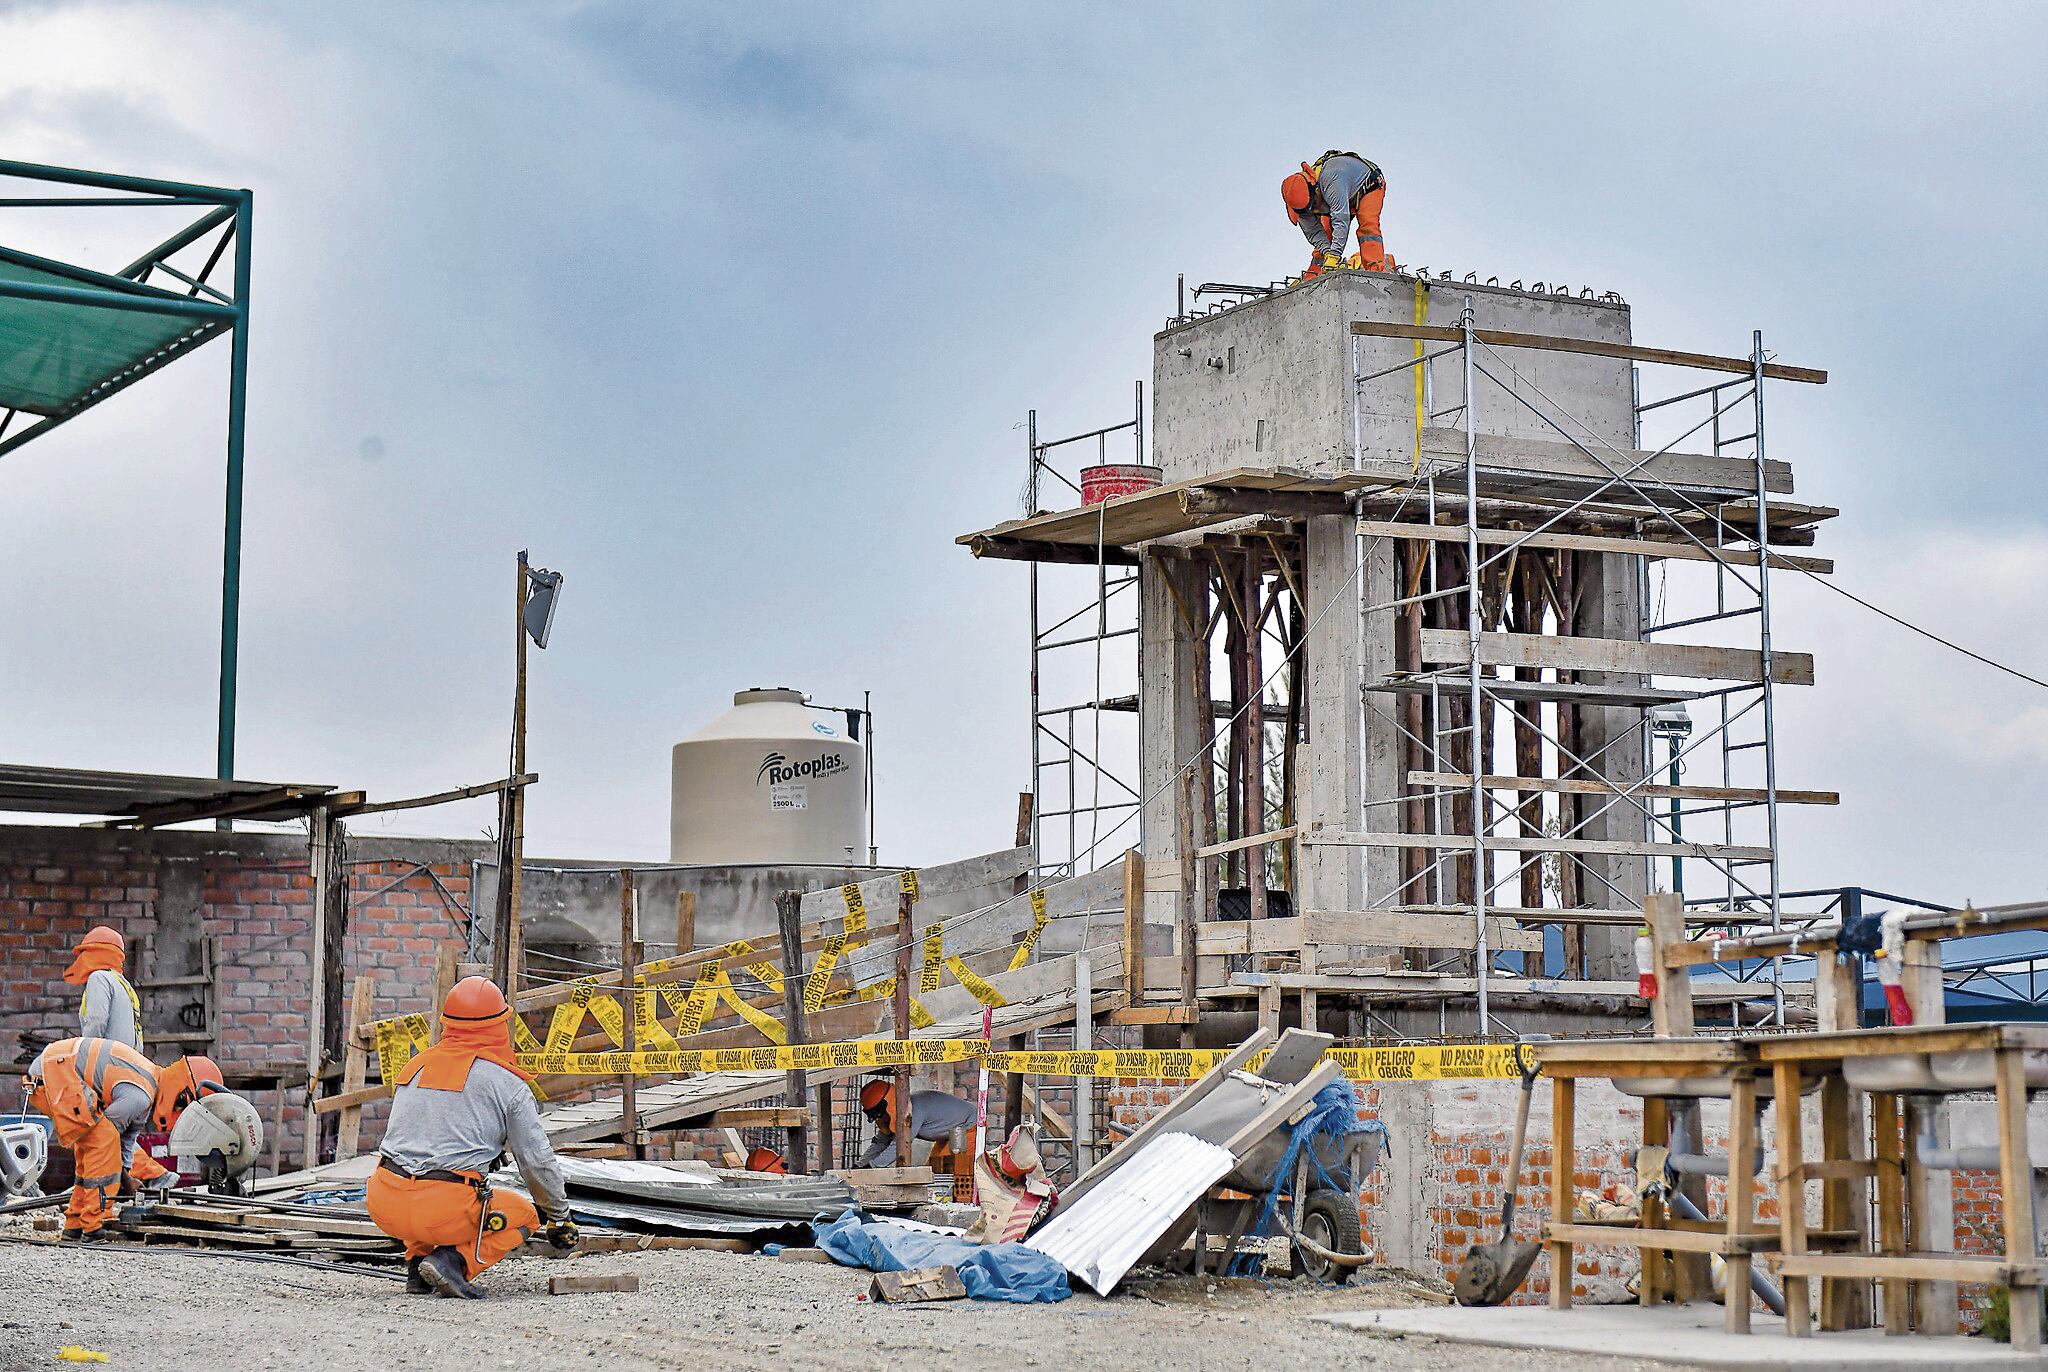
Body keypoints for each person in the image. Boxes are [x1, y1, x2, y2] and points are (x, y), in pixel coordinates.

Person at [368, 976, 577, 1298]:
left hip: (384, 1201)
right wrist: (559, 1217)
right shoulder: (507, 1084)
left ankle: (417, 1267)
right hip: (441, 1210)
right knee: (523, 1212)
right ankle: (453, 1263)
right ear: (500, 1025)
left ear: (446, 1024)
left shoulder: (415, 1066)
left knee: (420, 1174)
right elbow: (536, 1162)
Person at [24, 1039, 223, 1237]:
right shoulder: (140, 1096)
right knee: (103, 1144)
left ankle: (75, 1225)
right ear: (183, 1094)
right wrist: (121, 1180)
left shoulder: (148, 1088)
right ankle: (93, 1226)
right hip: (52, 1075)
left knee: (97, 1145)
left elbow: (126, 1141)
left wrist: (126, 1173)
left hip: (55, 1072)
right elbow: (109, 1138)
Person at [1281, 150, 1391, 278]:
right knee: (1327, 233)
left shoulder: (1332, 180)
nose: (1313, 212)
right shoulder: (1298, 202)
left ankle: (1375, 271)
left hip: (1368, 184)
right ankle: (1314, 274)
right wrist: (1328, 252)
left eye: (1314, 206)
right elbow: (1314, 232)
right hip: (1339, 193)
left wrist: (1334, 255)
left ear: (1315, 190)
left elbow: (1341, 220)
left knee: (1367, 226)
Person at [857, 1079, 977, 1171]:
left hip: (966, 1127)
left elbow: (899, 1146)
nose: (879, 1121)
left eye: (879, 1116)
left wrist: (871, 1167)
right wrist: (860, 1165)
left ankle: (963, 1203)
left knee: (952, 1172)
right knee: (935, 1170)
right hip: (948, 1135)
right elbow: (880, 1142)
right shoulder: (898, 1111)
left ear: (888, 1107)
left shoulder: (912, 1111)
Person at [65, 925, 143, 1050]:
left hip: (107, 1063)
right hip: (128, 1062)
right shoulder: (123, 984)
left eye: (85, 953)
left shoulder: (99, 978)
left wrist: (85, 1055)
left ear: (96, 952)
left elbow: (97, 1021)